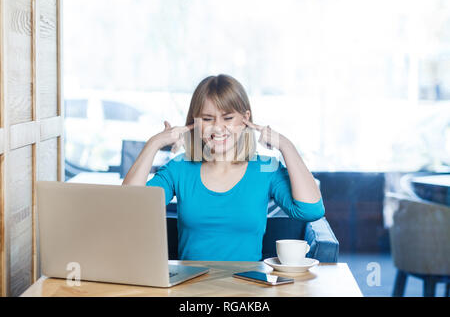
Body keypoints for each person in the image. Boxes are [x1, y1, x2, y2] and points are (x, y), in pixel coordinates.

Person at [122, 74, 324, 261]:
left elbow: (311, 210)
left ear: (245, 119)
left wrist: (286, 146)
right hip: (192, 291)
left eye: (228, 118)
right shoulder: (179, 168)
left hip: (247, 291)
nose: (218, 127)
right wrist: (153, 144)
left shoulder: (266, 168)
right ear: (195, 122)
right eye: (208, 119)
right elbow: (130, 209)